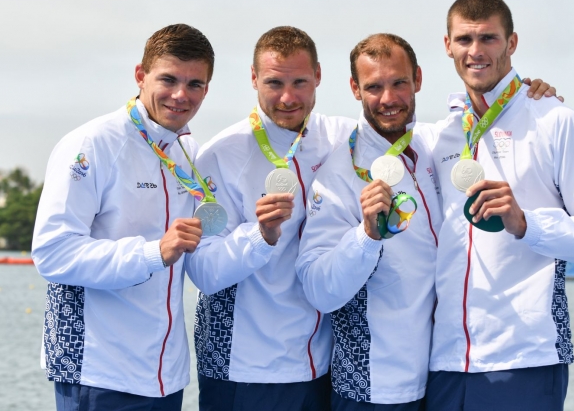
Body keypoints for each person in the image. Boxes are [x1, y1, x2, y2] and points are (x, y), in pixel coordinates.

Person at [425, 0, 574, 411]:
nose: (476, 51)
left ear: (512, 43)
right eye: (465, 39)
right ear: (447, 45)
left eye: (489, 38)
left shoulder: (556, 121)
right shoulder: (441, 134)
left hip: (524, 358)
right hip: (444, 361)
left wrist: (526, 223)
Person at [32, 24, 213, 411]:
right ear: (140, 75)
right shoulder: (91, 143)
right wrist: (152, 253)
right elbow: (52, 253)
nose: (181, 95)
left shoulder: (188, 151)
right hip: (98, 372)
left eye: (195, 84)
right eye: (168, 79)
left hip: (165, 375)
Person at [185, 26, 356, 411]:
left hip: (319, 365)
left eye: (300, 81)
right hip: (241, 369)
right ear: (253, 78)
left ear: (318, 76)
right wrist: (259, 235)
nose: (288, 97)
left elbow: (410, 133)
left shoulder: (341, 137)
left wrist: (520, 100)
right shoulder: (219, 156)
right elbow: (203, 271)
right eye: (274, 82)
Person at [295, 33, 442, 409]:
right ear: (355, 89)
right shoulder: (338, 174)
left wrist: (530, 93)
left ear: (419, 79)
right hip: (374, 387)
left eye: (399, 83)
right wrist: (365, 236)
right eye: (374, 87)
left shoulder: (434, 147)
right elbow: (318, 289)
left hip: (445, 375)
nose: (389, 99)